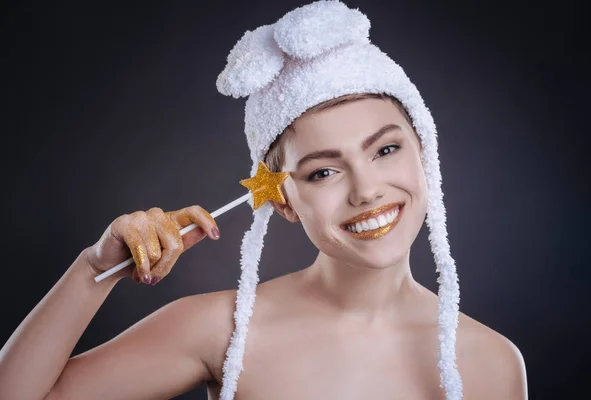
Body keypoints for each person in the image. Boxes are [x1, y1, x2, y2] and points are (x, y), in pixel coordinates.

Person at [0, 1, 528, 399]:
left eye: (386, 149)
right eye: (323, 171)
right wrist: (95, 269)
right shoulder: (224, 330)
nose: (366, 190)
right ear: (283, 201)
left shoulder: (492, 363)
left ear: (424, 153)